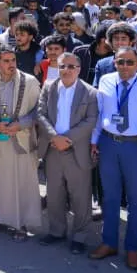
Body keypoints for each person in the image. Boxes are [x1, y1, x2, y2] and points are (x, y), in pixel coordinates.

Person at [89, 47, 137, 270]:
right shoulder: (106, 81)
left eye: (129, 62)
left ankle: (133, 248)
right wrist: (94, 140)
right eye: (120, 62)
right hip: (109, 143)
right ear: (114, 63)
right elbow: (100, 113)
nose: (124, 66)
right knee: (110, 197)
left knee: (136, 200)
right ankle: (109, 242)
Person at [0, 47, 42, 240]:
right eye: (6, 61)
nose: (11, 64)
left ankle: (21, 224)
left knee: (22, 183)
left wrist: (21, 124)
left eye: (13, 60)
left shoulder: (29, 82)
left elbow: (39, 110)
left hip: (21, 139)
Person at [36, 51, 99, 254]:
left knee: (80, 197)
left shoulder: (90, 92)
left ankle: (80, 236)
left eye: (71, 66)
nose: (66, 70)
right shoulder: (49, 87)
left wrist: (67, 139)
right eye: (62, 66)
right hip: (53, 149)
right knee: (54, 194)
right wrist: (54, 137)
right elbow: (40, 114)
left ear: (79, 69)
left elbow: (91, 120)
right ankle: (56, 231)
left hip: (76, 150)